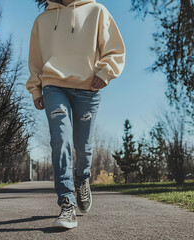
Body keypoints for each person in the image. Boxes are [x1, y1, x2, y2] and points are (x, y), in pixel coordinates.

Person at [26, 0, 125, 229]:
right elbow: (35, 61)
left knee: (84, 147)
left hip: (88, 87)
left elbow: (115, 48)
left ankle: (82, 180)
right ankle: (66, 204)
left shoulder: (97, 11)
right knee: (60, 140)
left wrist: (105, 71)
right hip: (53, 86)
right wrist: (36, 89)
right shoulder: (42, 21)